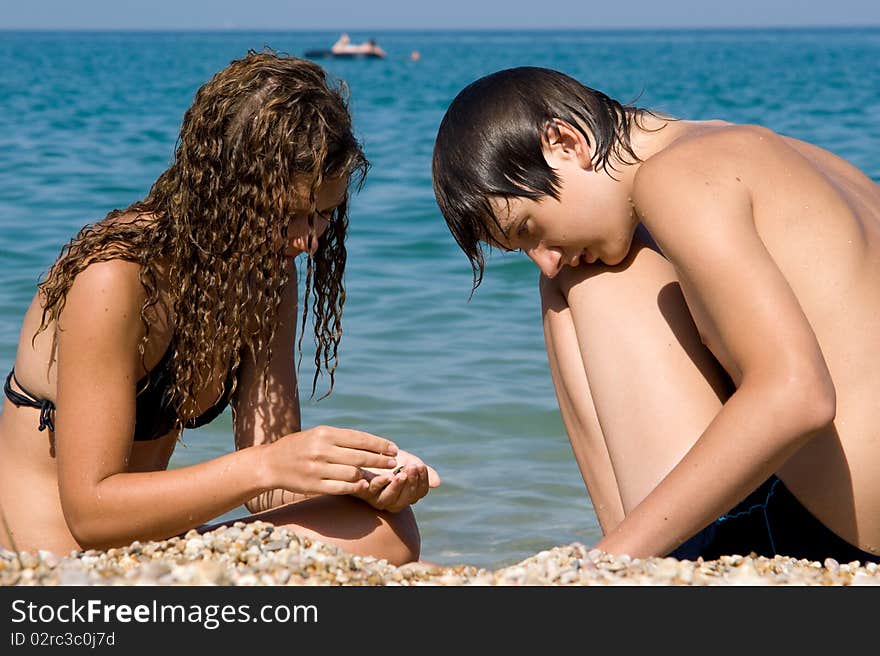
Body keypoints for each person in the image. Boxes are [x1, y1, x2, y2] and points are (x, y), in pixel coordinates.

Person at [0, 50, 439, 566]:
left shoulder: (265, 274)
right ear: (228, 195)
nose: (310, 240)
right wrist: (267, 463)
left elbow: (271, 487)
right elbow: (91, 513)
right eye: (291, 215)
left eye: (324, 216)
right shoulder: (114, 278)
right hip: (54, 562)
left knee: (388, 529)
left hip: (150, 551)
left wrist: (351, 481)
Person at [431, 66, 880, 563]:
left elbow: (799, 395)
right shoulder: (789, 155)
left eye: (529, 229)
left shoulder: (677, 176)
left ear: (563, 142)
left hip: (831, 547)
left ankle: (621, 565)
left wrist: (598, 564)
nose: (545, 255)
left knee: (574, 280)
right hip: (851, 526)